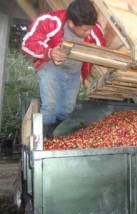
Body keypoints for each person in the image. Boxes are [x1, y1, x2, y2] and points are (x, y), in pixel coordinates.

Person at [22, 0, 105, 137]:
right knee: (50, 106)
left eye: (91, 28)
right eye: (85, 30)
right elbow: (27, 43)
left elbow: (101, 47)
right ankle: (44, 141)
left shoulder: (93, 27)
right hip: (50, 69)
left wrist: (96, 51)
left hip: (73, 73)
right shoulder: (50, 21)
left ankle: (57, 137)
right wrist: (49, 52)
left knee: (67, 109)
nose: (89, 32)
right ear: (72, 23)